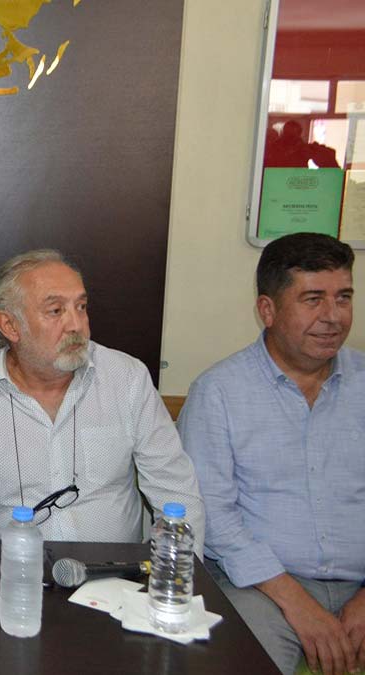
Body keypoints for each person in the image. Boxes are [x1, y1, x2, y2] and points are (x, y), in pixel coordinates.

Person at [179, 232, 364, 675]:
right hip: (262, 588)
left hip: (360, 583)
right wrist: (297, 603)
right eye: (313, 300)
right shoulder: (219, 393)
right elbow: (213, 516)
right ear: (267, 309)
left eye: (343, 297)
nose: (333, 317)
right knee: (240, 658)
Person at [0, 249, 204, 548]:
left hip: (112, 570)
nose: (76, 325)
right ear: (10, 326)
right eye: (56, 311)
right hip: (11, 566)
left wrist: (174, 572)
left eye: (81, 307)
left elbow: (176, 491)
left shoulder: (126, 377)